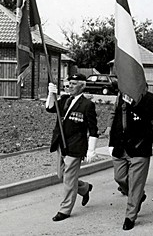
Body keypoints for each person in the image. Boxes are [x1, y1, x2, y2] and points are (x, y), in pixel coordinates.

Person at [46, 73, 98, 222]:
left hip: (76, 145)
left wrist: (91, 150)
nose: (69, 86)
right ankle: (84, 188)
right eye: (69, 83)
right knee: (62, 176)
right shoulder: (63, 100)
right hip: (61, 143)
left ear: (82, 86)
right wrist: (51, 94)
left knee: (68, 179)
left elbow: (93, 129)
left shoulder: (87, 105)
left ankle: (65, 209)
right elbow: (50, 108)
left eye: (74, 83)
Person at [108, 89, 153, 230]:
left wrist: (133, 102)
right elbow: (116, 120)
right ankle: (139, 196)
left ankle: (130, 216)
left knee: (136, 183)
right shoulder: (121, 96)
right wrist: (111, 143)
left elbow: (148, 117)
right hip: (120, 147)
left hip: (139, 147)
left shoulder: (150, 98)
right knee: (119, 178)